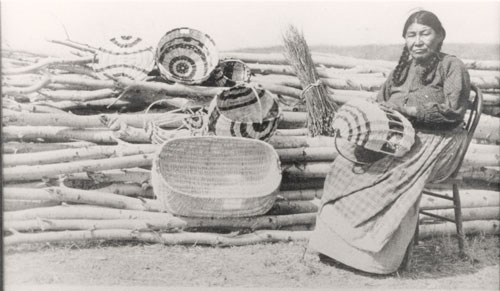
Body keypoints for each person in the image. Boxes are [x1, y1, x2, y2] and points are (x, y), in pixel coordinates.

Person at [309, 10, 471, 274]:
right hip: (400, 133)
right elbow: (380, 101)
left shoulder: (452, 66)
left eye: (424, 33)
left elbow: (453, 112)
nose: (417, 41)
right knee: (348, 160)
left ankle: (374, 260)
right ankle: (336, 248)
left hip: (441, 139)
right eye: (411, 35)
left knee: (395, 172)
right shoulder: (402, 69)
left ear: (440, 36)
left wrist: (410, 111)